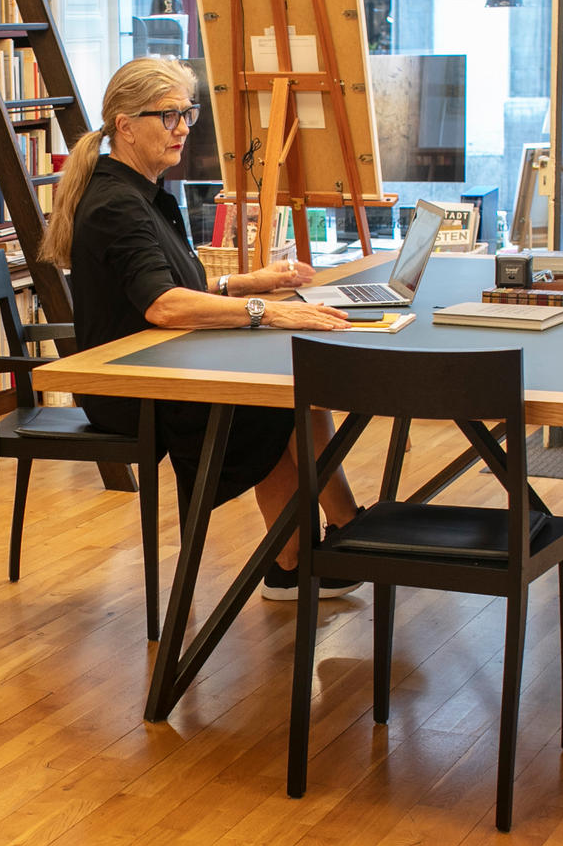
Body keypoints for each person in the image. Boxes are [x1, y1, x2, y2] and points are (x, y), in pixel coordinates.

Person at [43, 57, 358, 598]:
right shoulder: (117, 204)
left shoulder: (146, 193)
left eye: (186, 113)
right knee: (281, 403)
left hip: (162, 362)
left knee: (294, 397)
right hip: (131, 386)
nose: (183, 127)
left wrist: (244, 284)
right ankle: (314, 551)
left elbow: (165, 293)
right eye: (168, 116)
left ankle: (334, 541)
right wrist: (270, 311)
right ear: (124, 125)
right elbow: (163, 307)